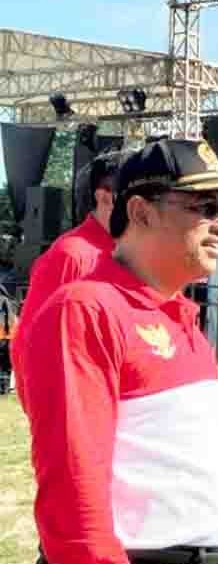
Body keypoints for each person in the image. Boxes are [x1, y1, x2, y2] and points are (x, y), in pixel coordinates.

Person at [12, 138, 218, 564]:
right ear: (140, 211)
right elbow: (71, 465)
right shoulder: (88, 307)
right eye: (205, 207)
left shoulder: (177, 314)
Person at [11, 150, 129, 400]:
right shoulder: (71, 255)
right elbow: (28, 344)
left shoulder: (130, 253)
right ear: (105, 198)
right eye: (134, 194)